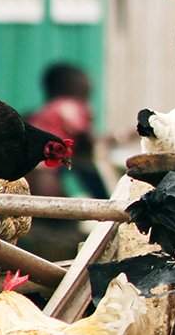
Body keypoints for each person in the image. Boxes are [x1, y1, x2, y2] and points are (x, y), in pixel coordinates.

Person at [22, 62, 109, 260]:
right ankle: (107, 209)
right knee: (86, 166)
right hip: (48, 197)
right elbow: (85, 144)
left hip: (27, 198)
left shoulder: (39, 116)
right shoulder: (68, 108)